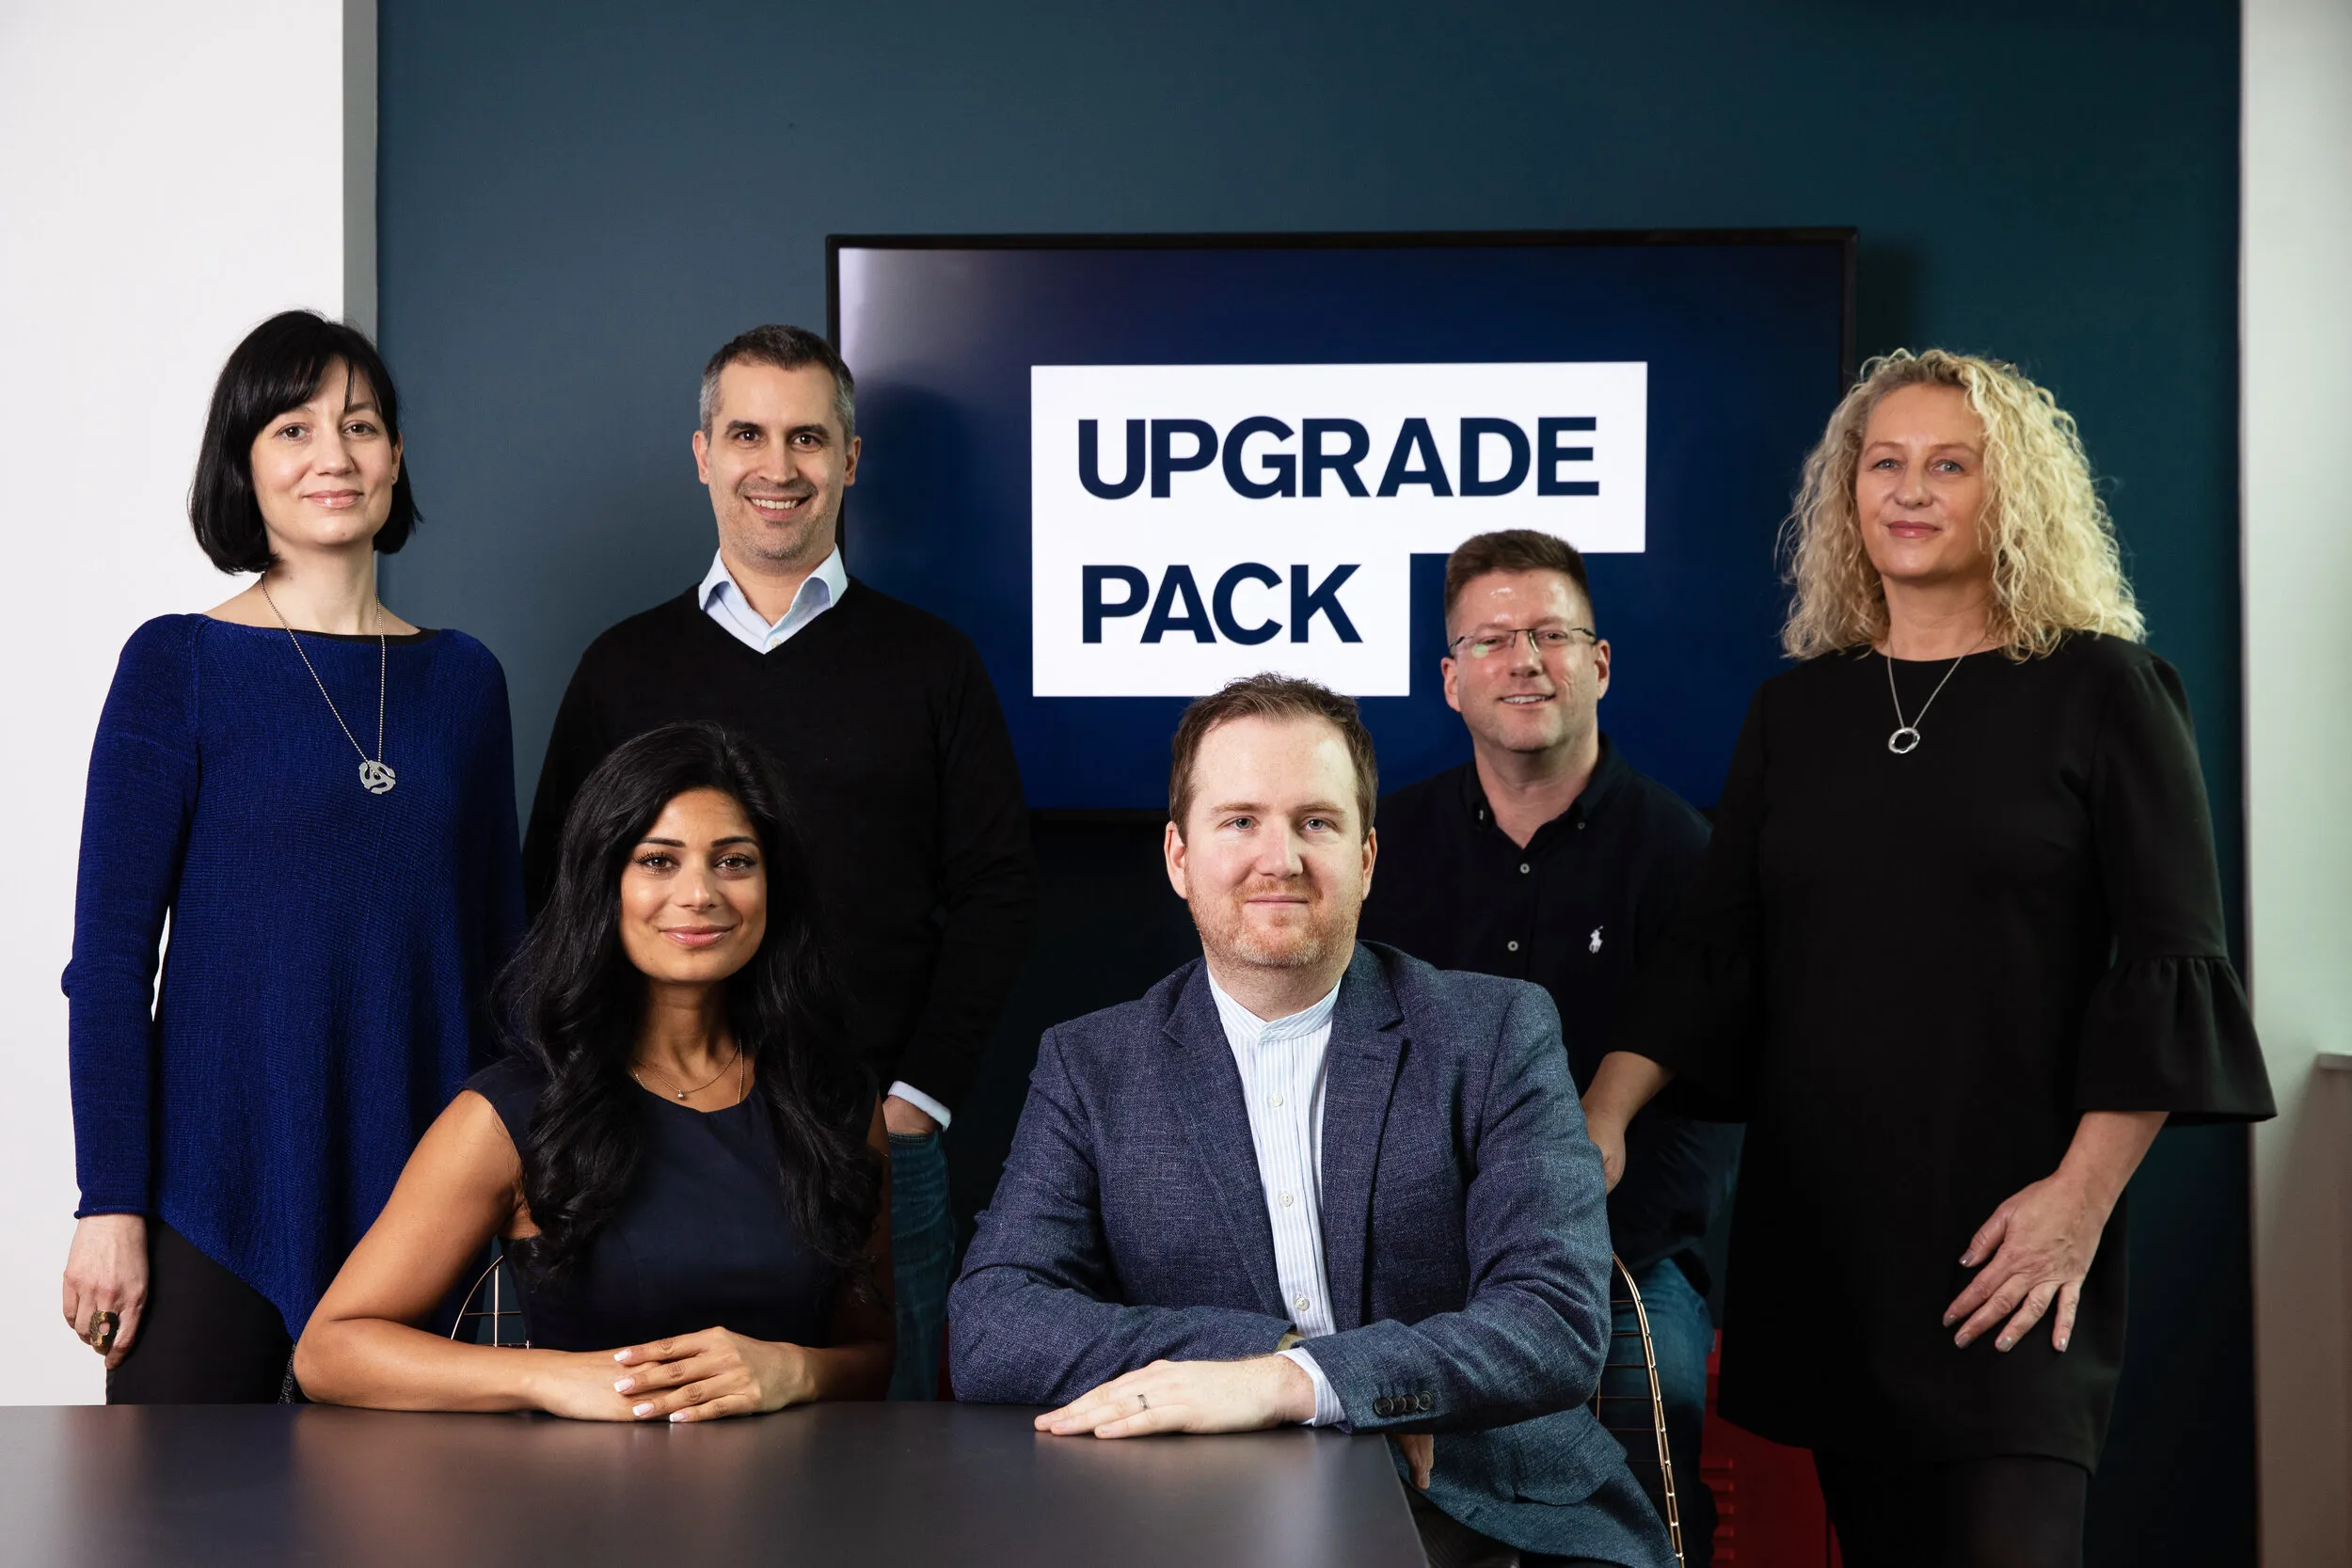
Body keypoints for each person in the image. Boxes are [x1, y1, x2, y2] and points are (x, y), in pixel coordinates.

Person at [1581, 350, 2276, 1568]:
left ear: (2009, 494)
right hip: (1837, 1245)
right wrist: (1606, 1110)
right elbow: (1713, 951)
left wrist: (2076, 1204)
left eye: (1949, 464)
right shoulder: (1796, 714)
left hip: (2019, 1236)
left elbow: (2173, 961)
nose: (1910, 489)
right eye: (1884, 462)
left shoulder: (2107, 688)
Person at [950, 674, 1676, 1568]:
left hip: (1493, 1512)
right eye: (1240, 820)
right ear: (1178, 856)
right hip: (1201, 1511)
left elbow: (1553, 1323)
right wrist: (1279, 1362)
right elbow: (991, 1322)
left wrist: (1300, 1383)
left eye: (1316, 822)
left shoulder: (1495, 1033)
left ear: (1368, 857)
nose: (1279, 857)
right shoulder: (1092, 1065)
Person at [523, 325, 1033, 1401]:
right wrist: (570, 1100)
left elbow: (997, 891)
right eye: (747, 433)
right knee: (650, 1446)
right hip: (648, 1144)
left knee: (892, 1462)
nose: (778, 465)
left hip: (873, 1145)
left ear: (849, 459)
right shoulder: (622, 666)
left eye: (809, 436)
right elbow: (554, 900)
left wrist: (916, 1102)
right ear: (702, 452)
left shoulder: (931, 662)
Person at [59, 310, 524, 1402]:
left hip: (425, 1199)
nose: (333, 455)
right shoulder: (178, 663)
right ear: (245, 462)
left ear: (395, 457)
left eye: (360, 425)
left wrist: (518, 1180)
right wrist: (107, 1203)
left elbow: (512, 963)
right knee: (169, 1529)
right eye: (292, 428)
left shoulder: (464, 682)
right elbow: (111, 962)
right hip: (209, 1190)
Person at [294, 721, 893, 1417]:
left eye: (734, 860)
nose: (700, 893)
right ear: (603, 882)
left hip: (801, 1505)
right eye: (657, 860)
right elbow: (328, 1351)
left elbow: (873, 1355)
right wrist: (548, 1377)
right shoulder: (513, 1110)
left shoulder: (836, 1100)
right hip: (582, 1507)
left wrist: (797, 1370)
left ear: (772, 885)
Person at [1360, 528, 1739, 1561]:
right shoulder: (1384, 853)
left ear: (1598, 662)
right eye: (1490, 639)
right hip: (1424, 1264)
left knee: (1652, 1411)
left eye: (1549, 633)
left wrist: (1572, 1241)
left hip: (1626, 1256)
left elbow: (1704, 1098)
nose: (1522, 659)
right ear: (1450, 679)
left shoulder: (1683, 853)